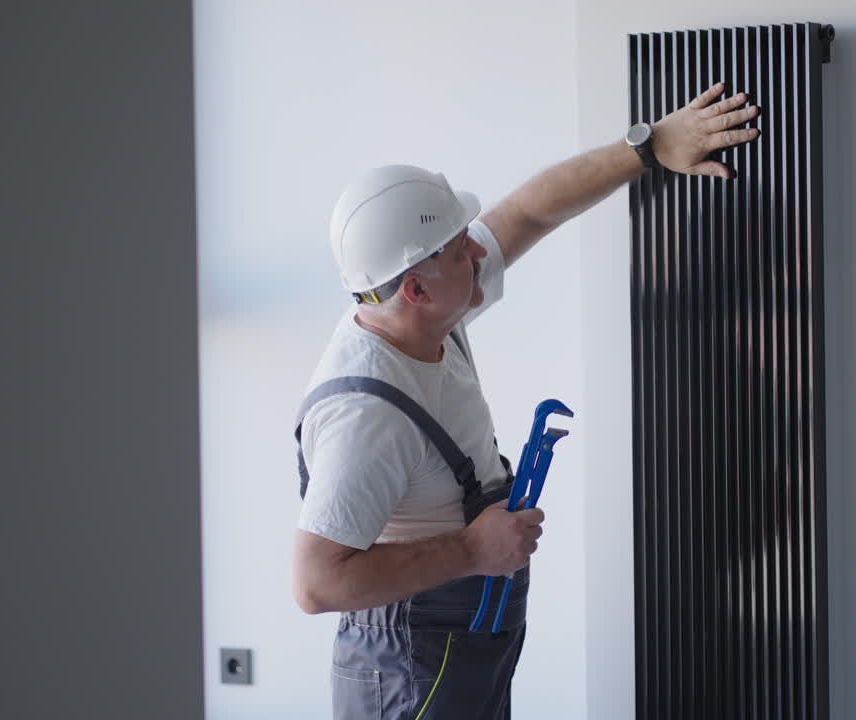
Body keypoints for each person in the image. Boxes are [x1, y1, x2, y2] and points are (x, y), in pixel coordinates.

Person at [291, 82, 760, 720]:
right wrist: (472, 551)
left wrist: (649, 148)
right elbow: (317, 584)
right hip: (407, 672)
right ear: (415, 289)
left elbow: (530, 212)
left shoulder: (425, 314)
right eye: (463, 251)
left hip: (460, 647)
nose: (480, 252)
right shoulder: (367, 416)